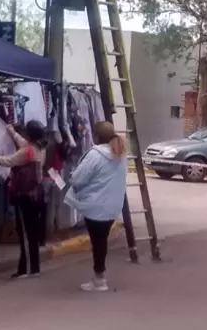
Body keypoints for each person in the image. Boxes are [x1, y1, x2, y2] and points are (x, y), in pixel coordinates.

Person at [65, 120, 128, 292]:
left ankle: (99, 279)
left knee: (98, 242)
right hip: (112, 206)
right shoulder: (120, 153)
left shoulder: (95, 155)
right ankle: (99, 276)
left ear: (96, 136)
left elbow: (78, 179)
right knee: (101, 242)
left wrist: (73, 178)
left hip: (95, 206)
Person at [0, 120, 47, 278]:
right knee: (32, 232)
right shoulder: (39, 147)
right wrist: (11, 131)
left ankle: (25, 269)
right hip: (35, 195)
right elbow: (21, 141)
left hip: (24, 195)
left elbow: (8, 161)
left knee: (25, 232)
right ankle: (34, 267)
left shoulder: (27, 152)